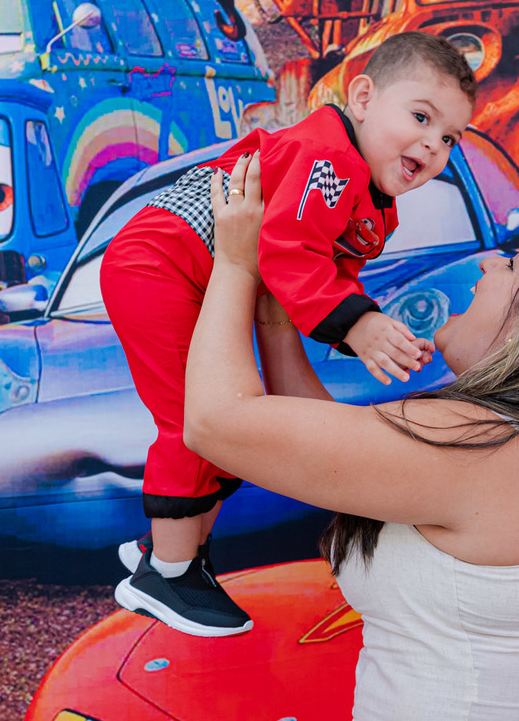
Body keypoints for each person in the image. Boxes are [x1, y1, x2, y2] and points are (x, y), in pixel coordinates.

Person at [184, 154, 519, 718]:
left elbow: (215, 422)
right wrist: (275, 300)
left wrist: (235, 263)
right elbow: (323, 449)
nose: (489, 266)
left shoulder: (478, 448)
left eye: (512, 264)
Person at [100, 31, 478, 637]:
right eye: (421, 117)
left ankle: (173, 550)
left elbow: (326, 271)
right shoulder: (328, 159)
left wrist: (363, 328)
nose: (434, 144)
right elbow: (290, 254)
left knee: (232, 429)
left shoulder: (373, 201)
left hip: (197, 278)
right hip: (159, 265)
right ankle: (167, 573)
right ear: (362, 98)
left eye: (451, 138)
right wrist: (358, 322)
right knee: (201, 420)